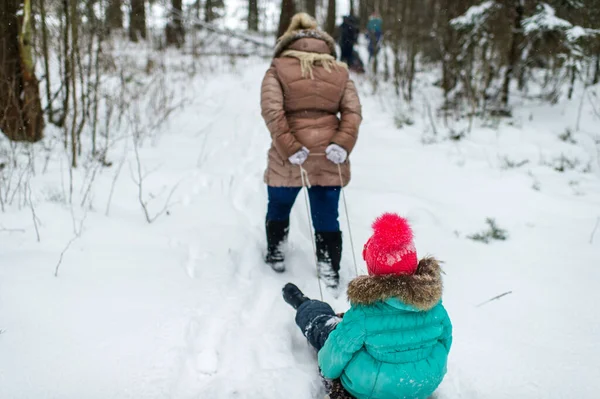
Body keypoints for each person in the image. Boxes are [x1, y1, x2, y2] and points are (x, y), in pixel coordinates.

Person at [282, 213, 453, 399]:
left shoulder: (364, 314)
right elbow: (445, 342)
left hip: (373, 389)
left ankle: (305, 305)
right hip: (423, 383)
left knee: (326, 330)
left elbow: (331, 359)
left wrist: (328, 373)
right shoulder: (434, 305)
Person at [260, 13, 362, 289]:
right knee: (327, 212)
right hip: (330, 156)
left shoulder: (277, 68)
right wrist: (341, 144)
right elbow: (353, 111)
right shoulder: (339, 71)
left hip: (289, 154)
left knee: (279, 204)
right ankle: (329, 266)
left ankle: (276, 252)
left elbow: (272, 110)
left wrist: (290, 147)